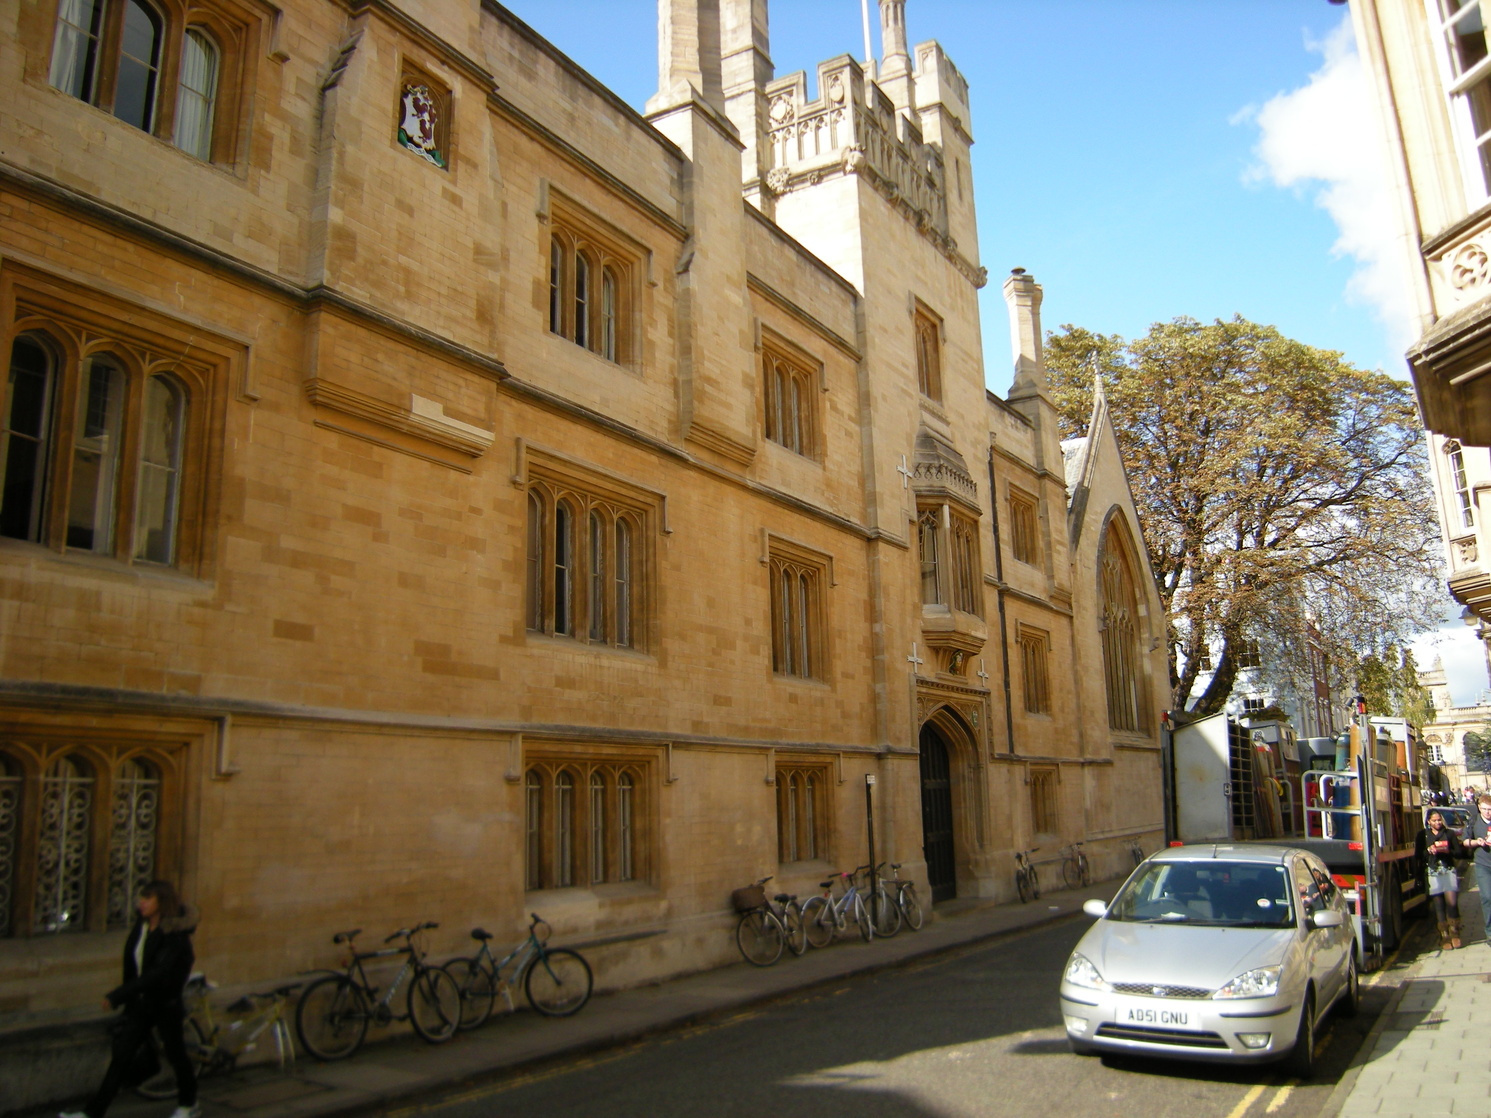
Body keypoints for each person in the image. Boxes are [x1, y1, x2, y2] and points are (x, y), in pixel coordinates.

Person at [61, 881, 200, 1118]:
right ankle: (92, 1113)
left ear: (161, 902)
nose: (141, 903)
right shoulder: (142, 925)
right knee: (121, 1057)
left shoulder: (174, 936)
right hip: (142, 1003)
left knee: (176, 1055)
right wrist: (128, 997)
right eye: (141, 898)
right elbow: (134, 964)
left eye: (147, 898)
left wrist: (118, 995)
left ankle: (188, 1104)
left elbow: (158, 973)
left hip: (165, 1004)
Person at [1418, 810, 1466, 949]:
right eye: (1434, 821)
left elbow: (1459, 853)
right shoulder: (1423, 835)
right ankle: (1444, 936)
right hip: (1433, 872)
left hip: (1448, 869)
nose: (1437, 823)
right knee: (1438, 904)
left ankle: (1455, 932)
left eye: (1439, 820)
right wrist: (1428, 851)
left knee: (1452, 902)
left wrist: (1447, 851)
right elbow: (1418, 855)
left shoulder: (1449, 833)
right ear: (1428, 822)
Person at [1467, 794, 1491, 948]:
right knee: (1488, 897)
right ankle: (1490, 931)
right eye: (1485, 809)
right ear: (1479, 808)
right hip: (1483, 865)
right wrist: (1478, 842)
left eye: (1490, 809)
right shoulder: (1474, 821)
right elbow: (1465, 841)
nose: (1488, 812)